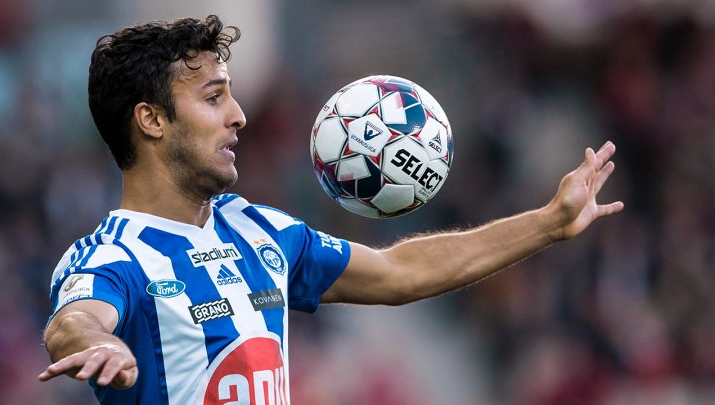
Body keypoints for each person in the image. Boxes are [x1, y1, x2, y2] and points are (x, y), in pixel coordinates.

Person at [37, 14, 624, 404]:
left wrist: (547, 223)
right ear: (152, 120)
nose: (239, 115)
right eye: (214, 98)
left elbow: (400, 272)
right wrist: (99, 342)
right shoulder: (113, 256)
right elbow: (76, 320)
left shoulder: (257, 229)